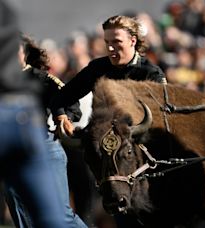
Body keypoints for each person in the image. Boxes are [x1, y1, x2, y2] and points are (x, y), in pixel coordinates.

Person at [4, 34, 88, 228]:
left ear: (25, 53)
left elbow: (73, 105)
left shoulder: (42, 78)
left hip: (45, 149)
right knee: (20, 211)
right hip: (13, 154)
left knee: (61, 215)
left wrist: (62, 119)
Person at [0, 0, 70, 227]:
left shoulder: (42, 77)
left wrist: (61, 115)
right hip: (22, 126)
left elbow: (67, 99)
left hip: (44, 142)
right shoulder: (6, 12)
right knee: (19, 207)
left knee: (59, 214)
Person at [50, 15, 166, 137]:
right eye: (107, 42)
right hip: (99, 140)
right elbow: (62, 97)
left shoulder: (151, 73)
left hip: (138, 142)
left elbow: (161, 118)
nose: (110, 48)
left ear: (133, 41)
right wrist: (62, 117)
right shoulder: (98, 68)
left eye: (116, 42)